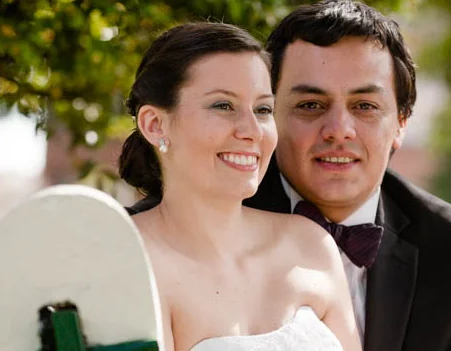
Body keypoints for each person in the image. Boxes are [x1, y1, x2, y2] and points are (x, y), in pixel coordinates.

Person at [131, 1, 451, 349]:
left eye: (365, 106)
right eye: (310, 105)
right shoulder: (162, 235)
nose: (339, 130)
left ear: (401, 123)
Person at [119, 22, 361, 351]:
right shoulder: (132, 261)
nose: (252, 130)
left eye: (263, 110)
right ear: (155, 124)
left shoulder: (311, 244)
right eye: (223, 106)